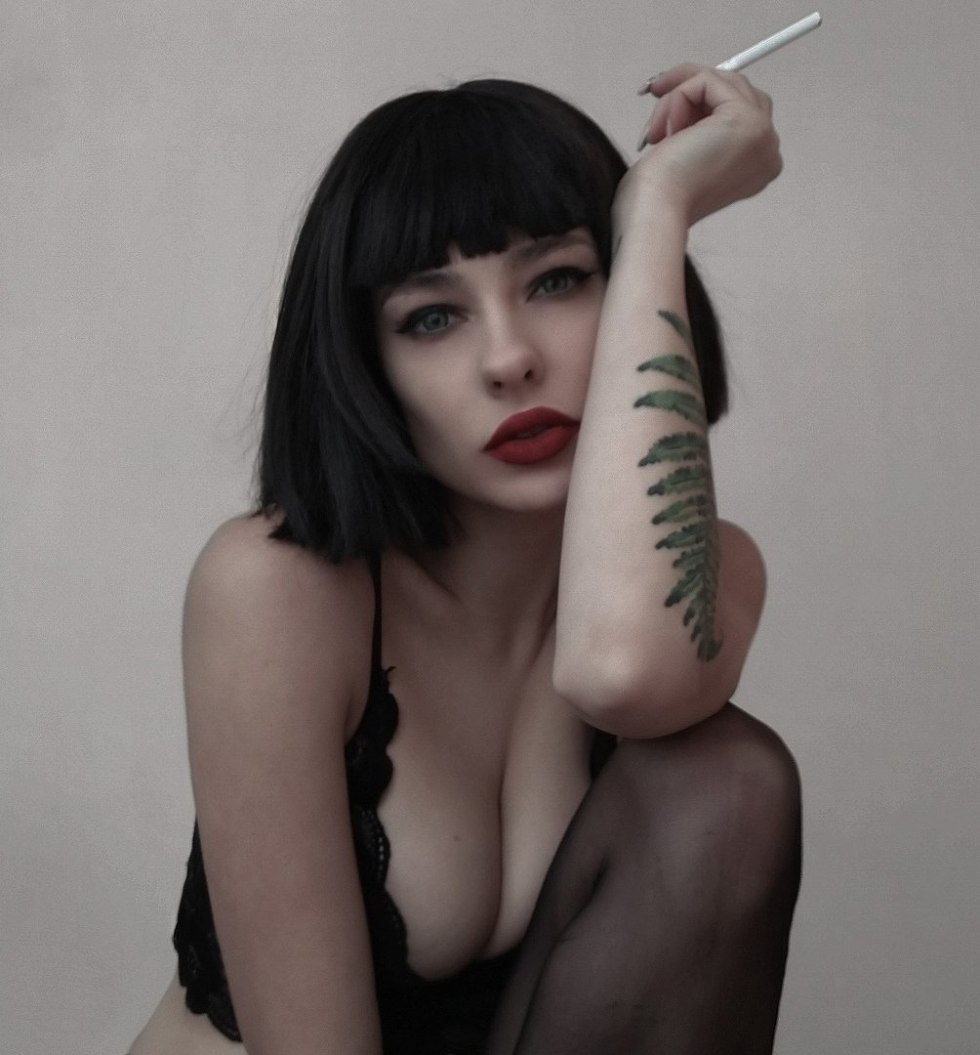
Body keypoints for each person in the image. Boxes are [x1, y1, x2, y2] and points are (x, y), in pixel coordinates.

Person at [130, 63, 802, 1055]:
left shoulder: (709, 572)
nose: (509, 358)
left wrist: (658, 208)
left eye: (558, 278)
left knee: (725, 780)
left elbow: (622, 672)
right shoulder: (279, 589)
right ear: (368, 367)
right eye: (432, 317)